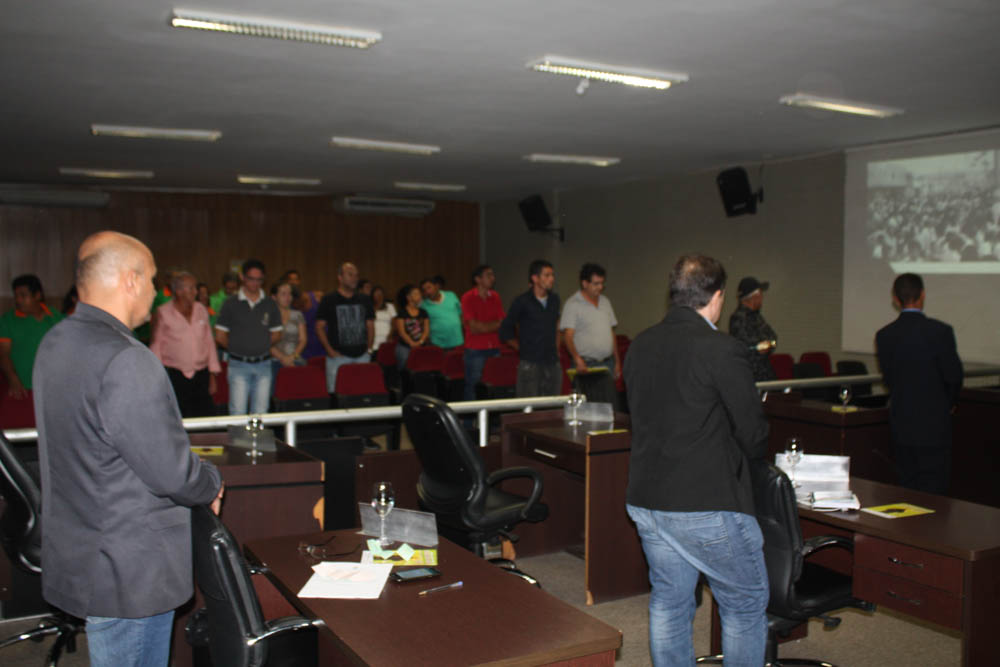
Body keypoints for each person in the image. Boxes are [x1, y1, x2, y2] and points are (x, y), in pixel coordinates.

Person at [33, 230, 223, 667]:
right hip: (130, 565)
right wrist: (211, 480)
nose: (156, 293)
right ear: (131, 280)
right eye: (153, 280)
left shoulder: (56, 342)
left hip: (83, 550)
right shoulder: (127, 358)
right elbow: (172, 473)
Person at [625, 254, 769, 666]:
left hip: (647, 500)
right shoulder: (722, 349)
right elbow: (753, 433)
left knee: (670, 601)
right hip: (705, 502)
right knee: (744, 602)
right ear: (717, 296)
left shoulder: (640, 344)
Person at [875, 272, 963, 494]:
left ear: (895, 299)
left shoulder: (884, 335)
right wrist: (948, 404)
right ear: (923, 295)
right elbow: (954, 376)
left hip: (902, 424)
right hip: (935, 426)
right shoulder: (941, 332)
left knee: (907, 490)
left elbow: (889, 379)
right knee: (935, 493)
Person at [214, 259, 283, 415]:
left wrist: (260, 345)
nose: (255, 283)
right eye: (251, 279)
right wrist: (238, 347)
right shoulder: (230, 303)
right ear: (242, 277)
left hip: (263, 364)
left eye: (259, 280)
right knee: (238, 412)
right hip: (238, 365)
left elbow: (277, 334)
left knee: (261, 413)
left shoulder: (270, 304)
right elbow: (220, 335)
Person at [149, 271, 221, 417]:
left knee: (204, 416)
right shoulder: (163, 312)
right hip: (175, 375)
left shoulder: (201, 309)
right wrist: (156, 376)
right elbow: (156, 345)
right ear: (179, 291)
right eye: (191, 288)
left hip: (201, 374)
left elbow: (209, 341)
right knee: (178, 416)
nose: (196, 292)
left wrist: (213, 373)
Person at [559, 262, 622, 407]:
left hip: (607, 363)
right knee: (589, 407)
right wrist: (577, 358)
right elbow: (567, 336)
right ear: (585, 283)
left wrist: (617, 361)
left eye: (602, 283)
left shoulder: (605, 302)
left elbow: (611, 333)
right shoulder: (573, 304)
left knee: (609, 406)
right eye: (596, 284)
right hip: (586, 365)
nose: (600, 287)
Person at [499, 260, 561, 397]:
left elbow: (556, 326)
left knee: (552, 404)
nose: (551, 279)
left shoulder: (554, 300)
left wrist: (556, 349)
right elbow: (505, 330)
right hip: (530, 363)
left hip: (552, 362)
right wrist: (521, 348)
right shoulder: (522, 301)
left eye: (552, 275)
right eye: (547, 275)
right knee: (530, 404)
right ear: (535, 278)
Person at [316, 262, 375, 392]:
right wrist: (329, 350)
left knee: (363, 392)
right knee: (336, 393)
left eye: (356, 275)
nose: (354, 278)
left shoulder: (364, 299)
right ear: (340, 277)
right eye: (350, 275)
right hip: (338, 357)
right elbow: (319, 327)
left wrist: (369, 349)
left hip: (362, 356)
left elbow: (370, 325)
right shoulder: (329, 299)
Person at [1, 274, 63, 397]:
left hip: (54, 388)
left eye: (23, 296)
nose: (18, 300)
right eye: (16, 296)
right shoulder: (7, 321)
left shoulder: (56, 317)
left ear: (38, 295)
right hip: (23, 388)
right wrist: (13, 378)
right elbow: (3, 353)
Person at [460, 265, 504, 401]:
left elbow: (502, 322)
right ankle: (470, 415)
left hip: (494, 347)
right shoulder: (468, 297)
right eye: (488, 275)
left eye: (492, 275)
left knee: (494, 385)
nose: (492, 278)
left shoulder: (495, 296)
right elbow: (473, 328)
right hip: (476, 349)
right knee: (473, 386)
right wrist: (493, 325)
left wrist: (484, 326)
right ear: (478, 279)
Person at [728, 276, 778, 381]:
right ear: (753, 297)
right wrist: (760, 347)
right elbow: (747, 347)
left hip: (765, 374)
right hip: (750, 377)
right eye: (760, 295)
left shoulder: (757, 317)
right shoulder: (738, 318)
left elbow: (773, 338)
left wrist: (768, 344)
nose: (761, 298)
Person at [269, 281, 308, 394]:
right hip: (273, 360)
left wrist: (292, 357)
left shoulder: (298, 315)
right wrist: (283, 358)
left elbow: (303, 340)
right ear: (274, 297)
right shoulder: (268, 316)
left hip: (295, 359)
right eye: (283, 294)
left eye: (290, 294)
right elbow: (266, 342)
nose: (288, 297)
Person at [282, 269, 324, 359]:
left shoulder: (317, 296)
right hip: (304, 348)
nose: (293, 282)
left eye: (295, 279)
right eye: (290, 280)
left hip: (323, 343)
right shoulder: (288, 307)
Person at [420, 276, 464, 350]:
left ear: (436, 286)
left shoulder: (451, 295)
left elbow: (461, 313)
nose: (427, 292)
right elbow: (422, 325)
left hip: (458, 341)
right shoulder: (423, 305)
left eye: (429, 287)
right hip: (438, 344)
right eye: (424, 290)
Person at [393, 284, 431, 368]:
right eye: (416, 294)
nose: (420, 296)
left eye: (419, 294)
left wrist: (420, 342)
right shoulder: (402, 312)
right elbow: (402, 332)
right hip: (405, 346)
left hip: (421, 344)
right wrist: (412, 343)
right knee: (405, 363)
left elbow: (426, 330)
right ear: (409, 297)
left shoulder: (423, 312)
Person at [370, 284, 397, 352]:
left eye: (380, 294)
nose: (379, 296)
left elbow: (394, 324)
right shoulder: (369, 307)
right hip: (373, 338)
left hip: (386, 338)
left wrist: (390, 336)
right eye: (376, 294)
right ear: (372, 295)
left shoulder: (390, 306)